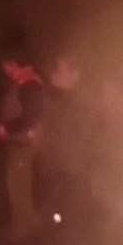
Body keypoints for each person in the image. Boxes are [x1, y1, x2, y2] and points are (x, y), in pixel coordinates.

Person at [0, 49, 46, 241]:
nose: (3, 69)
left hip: (24, 141)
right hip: (18, 140)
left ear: (13, 63)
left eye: (5, 65)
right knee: (16, 183)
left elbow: (32, 115)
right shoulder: (20, 82)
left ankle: (24, 228)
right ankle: (23, 224)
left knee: (18, 184)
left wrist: (6, 128)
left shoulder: (29, 83)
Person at [42, 56, 96, 223]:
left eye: (61, 71)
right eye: (56, 70)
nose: (55, 75)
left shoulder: (81, 99)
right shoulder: (53, 97)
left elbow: (84, 130)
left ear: (75, 74)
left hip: (74, 159)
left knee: (75, 195)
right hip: (58, 158)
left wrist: (82, 154)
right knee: (60, 196)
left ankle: (78, 222)